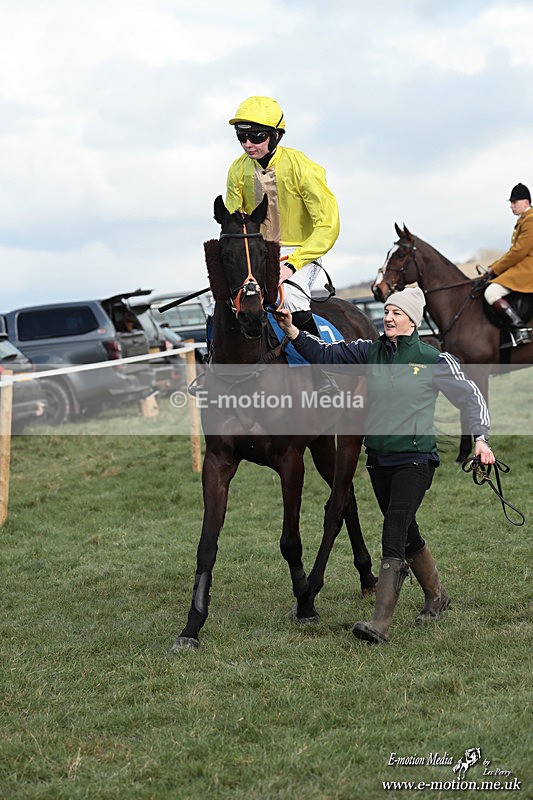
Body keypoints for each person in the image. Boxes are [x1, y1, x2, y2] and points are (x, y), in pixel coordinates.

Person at [275, 286, 495, 645]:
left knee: (393, 531)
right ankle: (437, 596)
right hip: (379, 462)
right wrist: (292, 331)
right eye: (387, 311)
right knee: (407, 533)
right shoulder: (368, 352)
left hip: (416, 461)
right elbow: (326, 354)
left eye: (396, 313)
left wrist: (481, 440)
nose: (388, 317)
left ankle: (380, 623)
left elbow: (471, 397)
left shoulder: (433, 358)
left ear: (412, 320)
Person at [226, 95, 340, 338]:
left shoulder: (303, 168)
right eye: (241, 136)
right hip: (258, 252)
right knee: (223, 302)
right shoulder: (237, 169)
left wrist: (291, 264)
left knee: (292, 299)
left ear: (276, 135)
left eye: (257, 136)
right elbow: (234, 223)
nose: (247, 144)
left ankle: (319, 368)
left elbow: (328, 226)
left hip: (300, 251)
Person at [484, 182, 533, 346]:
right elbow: (514, 251)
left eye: (514, 202)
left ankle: (520, 329)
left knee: (491, 293)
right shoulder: (524, 220)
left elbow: (518, 252)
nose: (511, 206)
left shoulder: (531, 220)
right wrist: (494, 266)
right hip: (521, 267)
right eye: (511, 203)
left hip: (527, 270)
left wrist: (495, 268)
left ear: (525, 202)